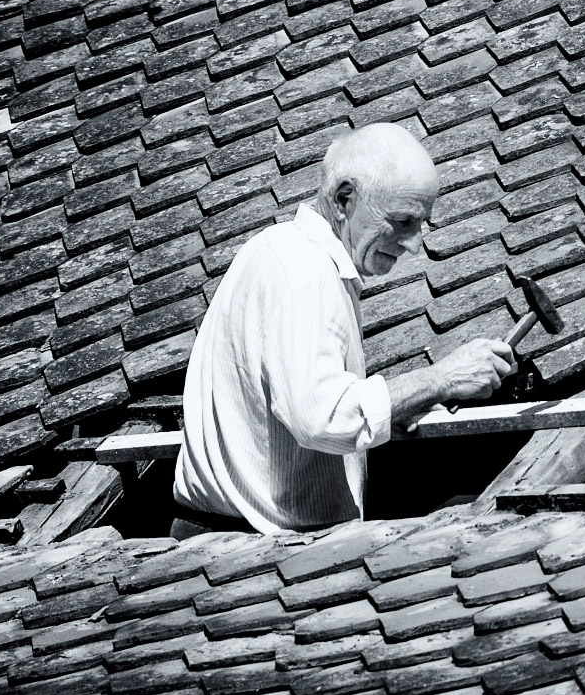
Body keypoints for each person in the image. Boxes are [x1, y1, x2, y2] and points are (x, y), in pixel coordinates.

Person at [172, 123, 515, 536]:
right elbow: (322, 417)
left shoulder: (278, 248)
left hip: (225, 538)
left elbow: (298, 404)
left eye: (421, 223)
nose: (413, 244)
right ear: (344, 200)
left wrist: (401, 404)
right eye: (403, 220)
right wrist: (442, 379)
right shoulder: (306, 275)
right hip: (249, 551)